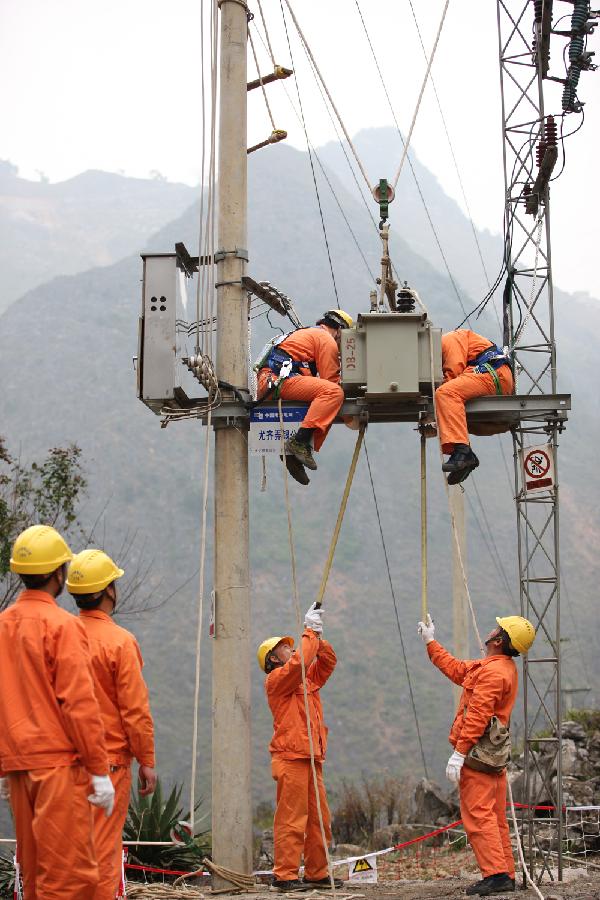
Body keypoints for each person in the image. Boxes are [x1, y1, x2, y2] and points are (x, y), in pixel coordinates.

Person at [0, 525, 114, 900]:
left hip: (18, 767)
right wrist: (99, 771)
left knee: (33, 875)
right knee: (68, 875)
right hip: (57, 769)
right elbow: (79, 706)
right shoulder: (62, 626)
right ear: (59, 574)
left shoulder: (3, 626)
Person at [417, 612, 536, 897]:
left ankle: (496, 875)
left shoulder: (494, 672)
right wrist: (431, 642)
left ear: (497, 639)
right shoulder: (496, 667)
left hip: (478, 756)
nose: (490, 628)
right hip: (492, 758)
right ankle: (504, 872)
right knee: (494, 817)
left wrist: (459, 753)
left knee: (478, 816)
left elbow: (477, 716)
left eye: (496, 627)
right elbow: (458, 670)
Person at [66, 548, 157, 900]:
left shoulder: (59, 635)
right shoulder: (120, 642)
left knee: (68, 851)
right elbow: (135, 710)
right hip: (109, 762)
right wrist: (146, 760)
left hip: (63, 761)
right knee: (102, 851)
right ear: (108, 591)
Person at [257, 603, 341, 892]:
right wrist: (308, 633)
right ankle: (285, 874)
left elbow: (327, 661)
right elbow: (301, 661)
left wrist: (318, 636)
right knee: (292, 819)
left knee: (320, 820)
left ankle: (317, 872)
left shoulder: (305, 679)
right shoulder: (277, 680)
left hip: (311, 757)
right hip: (291, 757)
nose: (289, 649)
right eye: (283, 647)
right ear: (271, 660)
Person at [256, 310, 353, 485]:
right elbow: (331, 381)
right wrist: (350, 415)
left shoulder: (309, 333)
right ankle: (299, 443)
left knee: (320, 403)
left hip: (272, 381)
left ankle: (294, 455)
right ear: (339, 331)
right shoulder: (326, 339)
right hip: (278, 381)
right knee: (332, 394)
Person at [436, 329, 514, 484]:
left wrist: (435, 399)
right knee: (451, 415)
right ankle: (465, 455)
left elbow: (454, 369)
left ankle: (463, 452)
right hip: (494, 378)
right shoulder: (456, 343)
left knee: (445, 393)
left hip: (493, 374)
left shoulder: (448, 340)